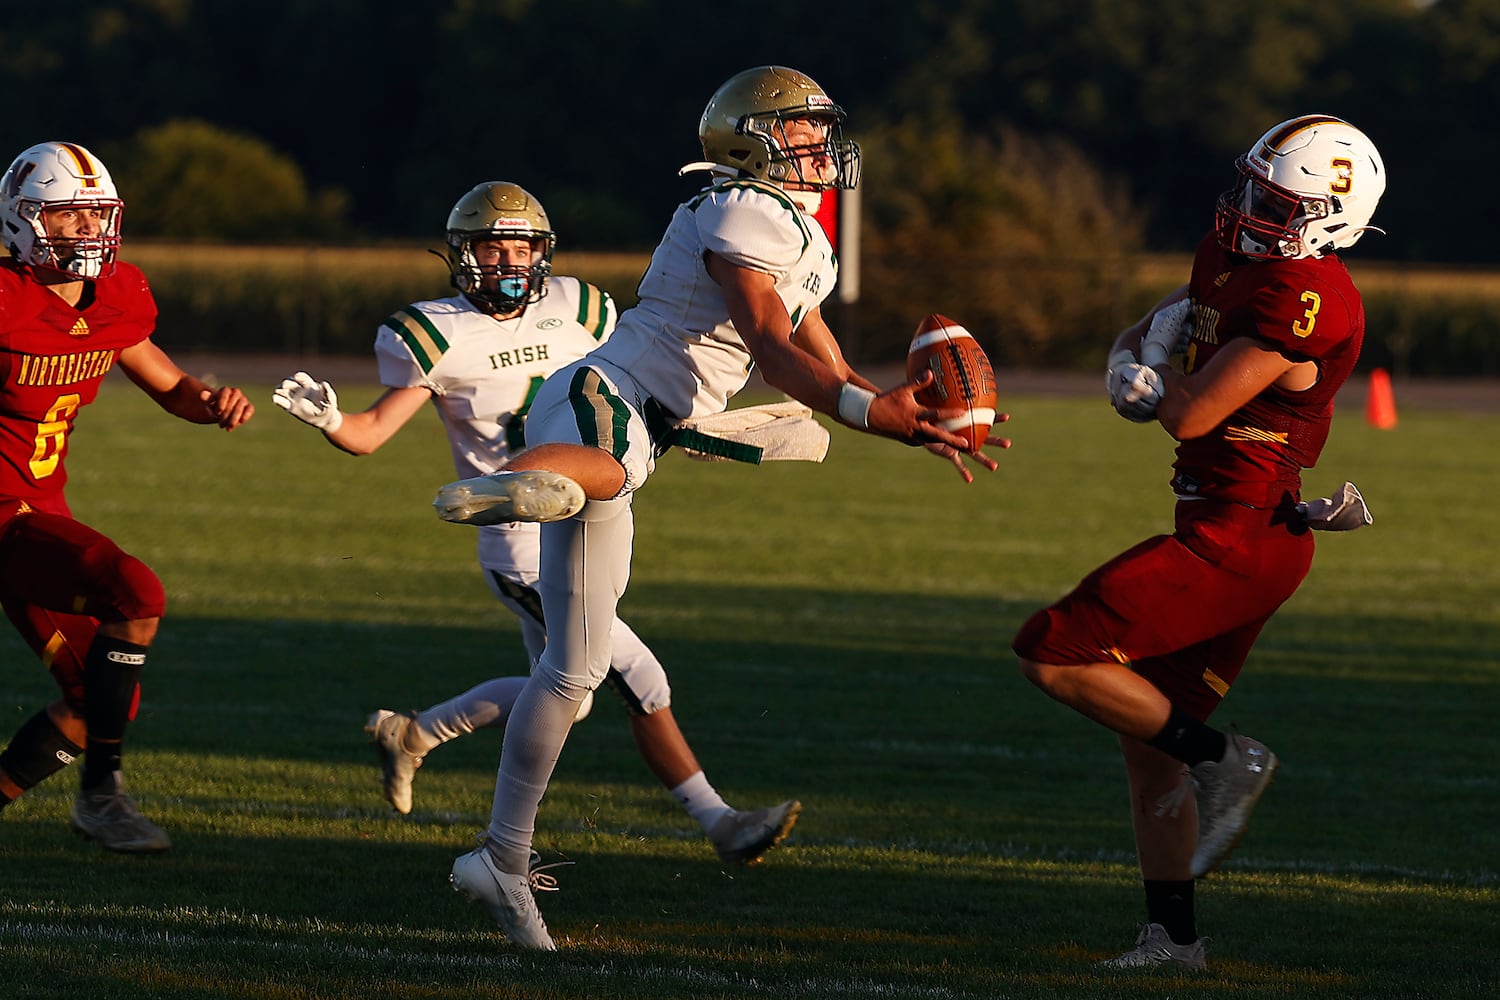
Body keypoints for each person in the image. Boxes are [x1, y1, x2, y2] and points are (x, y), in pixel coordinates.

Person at [432, 66, 1008, 950]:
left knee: (574, 673)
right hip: (608, 395)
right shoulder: (738, 207)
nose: (824, 144)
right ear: (753, 139)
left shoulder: (800, 232)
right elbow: (774, 353)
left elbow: (826, 357)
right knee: (608, 471)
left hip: (651, 430)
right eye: (807, 130)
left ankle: (502, 860)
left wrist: (900, 420)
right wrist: (866, 409)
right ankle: (516, 483)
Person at [271, 181, 800, 865]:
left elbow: (633, 382)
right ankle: (720, 822)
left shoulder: (581, 307)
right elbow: (372, 433)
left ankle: (414, 735)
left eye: (521, 245)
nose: (509, 261)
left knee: (567, 697)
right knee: (639, 675)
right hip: (518, 538)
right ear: (464, 255)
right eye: (493, 246)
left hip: (590, 514)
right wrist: (329, 420)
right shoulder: (438, 331)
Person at [1012, 115, 1386, 969]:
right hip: (1226, 526)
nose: (1250, 206)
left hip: (1242, 536)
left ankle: (1228, 759)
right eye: (1253, 187)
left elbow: (1191, 411)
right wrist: (1128, 360)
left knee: (1052, 653)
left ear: (1328, 215)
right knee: (1146, 748)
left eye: (1276, 199)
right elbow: (1145, 333)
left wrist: (1154, 382)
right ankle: (1174, 940)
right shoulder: (1236, 260)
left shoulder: (1308, 297)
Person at [0, 140, 255, 852]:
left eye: (94, 214)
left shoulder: (118, 296)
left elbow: (171, 385)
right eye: (68, 215)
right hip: (2, 515)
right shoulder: (3, 298)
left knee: (102, 699)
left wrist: (212, 403)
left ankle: (94, 794)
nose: (85, 230)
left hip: (39, 510)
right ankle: (102, 798)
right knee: (134, 592)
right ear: (23, 221)